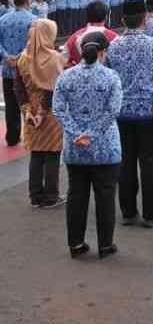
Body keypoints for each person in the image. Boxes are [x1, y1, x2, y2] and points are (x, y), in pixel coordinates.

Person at [107, 0, 153, 229]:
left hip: (122, 113)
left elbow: (109, 80)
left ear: (123, 20)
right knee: (150, 163)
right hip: (150, 112)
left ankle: (128, 212)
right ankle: (151, 213)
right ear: (145, 19)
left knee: (125, 162)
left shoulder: (113, 46)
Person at [52, 31, 122, 259]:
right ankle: (105, 245)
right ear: (103, 52)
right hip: (105, 147)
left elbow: (58, 109)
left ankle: (76, 244)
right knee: (105, 195)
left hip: (75, 148)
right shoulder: (111, 77)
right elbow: (113, 111)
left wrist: (77, 133)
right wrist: (92, 134)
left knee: (76, 195)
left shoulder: (66, 77)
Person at [15, 19, 66, 209]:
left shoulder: (22, 57)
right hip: (50, 113)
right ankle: (51, 196)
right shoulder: (54, 58)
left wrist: (29, 110)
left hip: (30, 111)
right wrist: (43, 113)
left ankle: (35, 195)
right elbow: (53, 90)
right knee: (52, 153)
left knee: (36, 154)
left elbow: (18, 88)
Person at [0, 0, 38, 146]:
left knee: (11, 104)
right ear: (28, 0)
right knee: (29, 102)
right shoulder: (34, 20)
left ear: (12, 0)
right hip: (27, 69)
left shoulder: (3, 19)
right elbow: (34, 44)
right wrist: (21, 56)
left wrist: (6, 56)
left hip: (8, 68)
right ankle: (31, 136)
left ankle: (12, 137)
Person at [64, 1, 119, 68]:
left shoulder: (74, 37)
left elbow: (63, 61)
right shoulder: (115, 38)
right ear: (106, 17)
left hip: (81, 75)